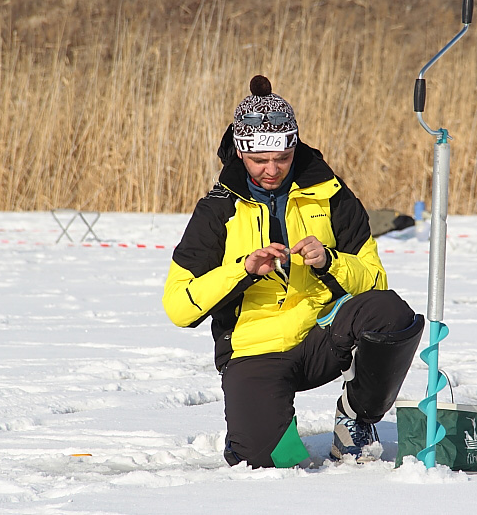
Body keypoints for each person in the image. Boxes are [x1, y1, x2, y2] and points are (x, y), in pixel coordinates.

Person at [162, 75, 424, 468]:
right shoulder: (216, 210)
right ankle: (257, 431)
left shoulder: (333, 194)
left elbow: (376, 281)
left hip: (322, 334)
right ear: (239, 152)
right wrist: (244, 270)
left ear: (294, 146)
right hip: (253, 348)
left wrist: (329, 260)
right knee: (269, 462)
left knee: (391, 314)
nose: (271, 170)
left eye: (281, 158)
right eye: (259, 161)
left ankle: (356, 419)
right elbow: (178, 307)